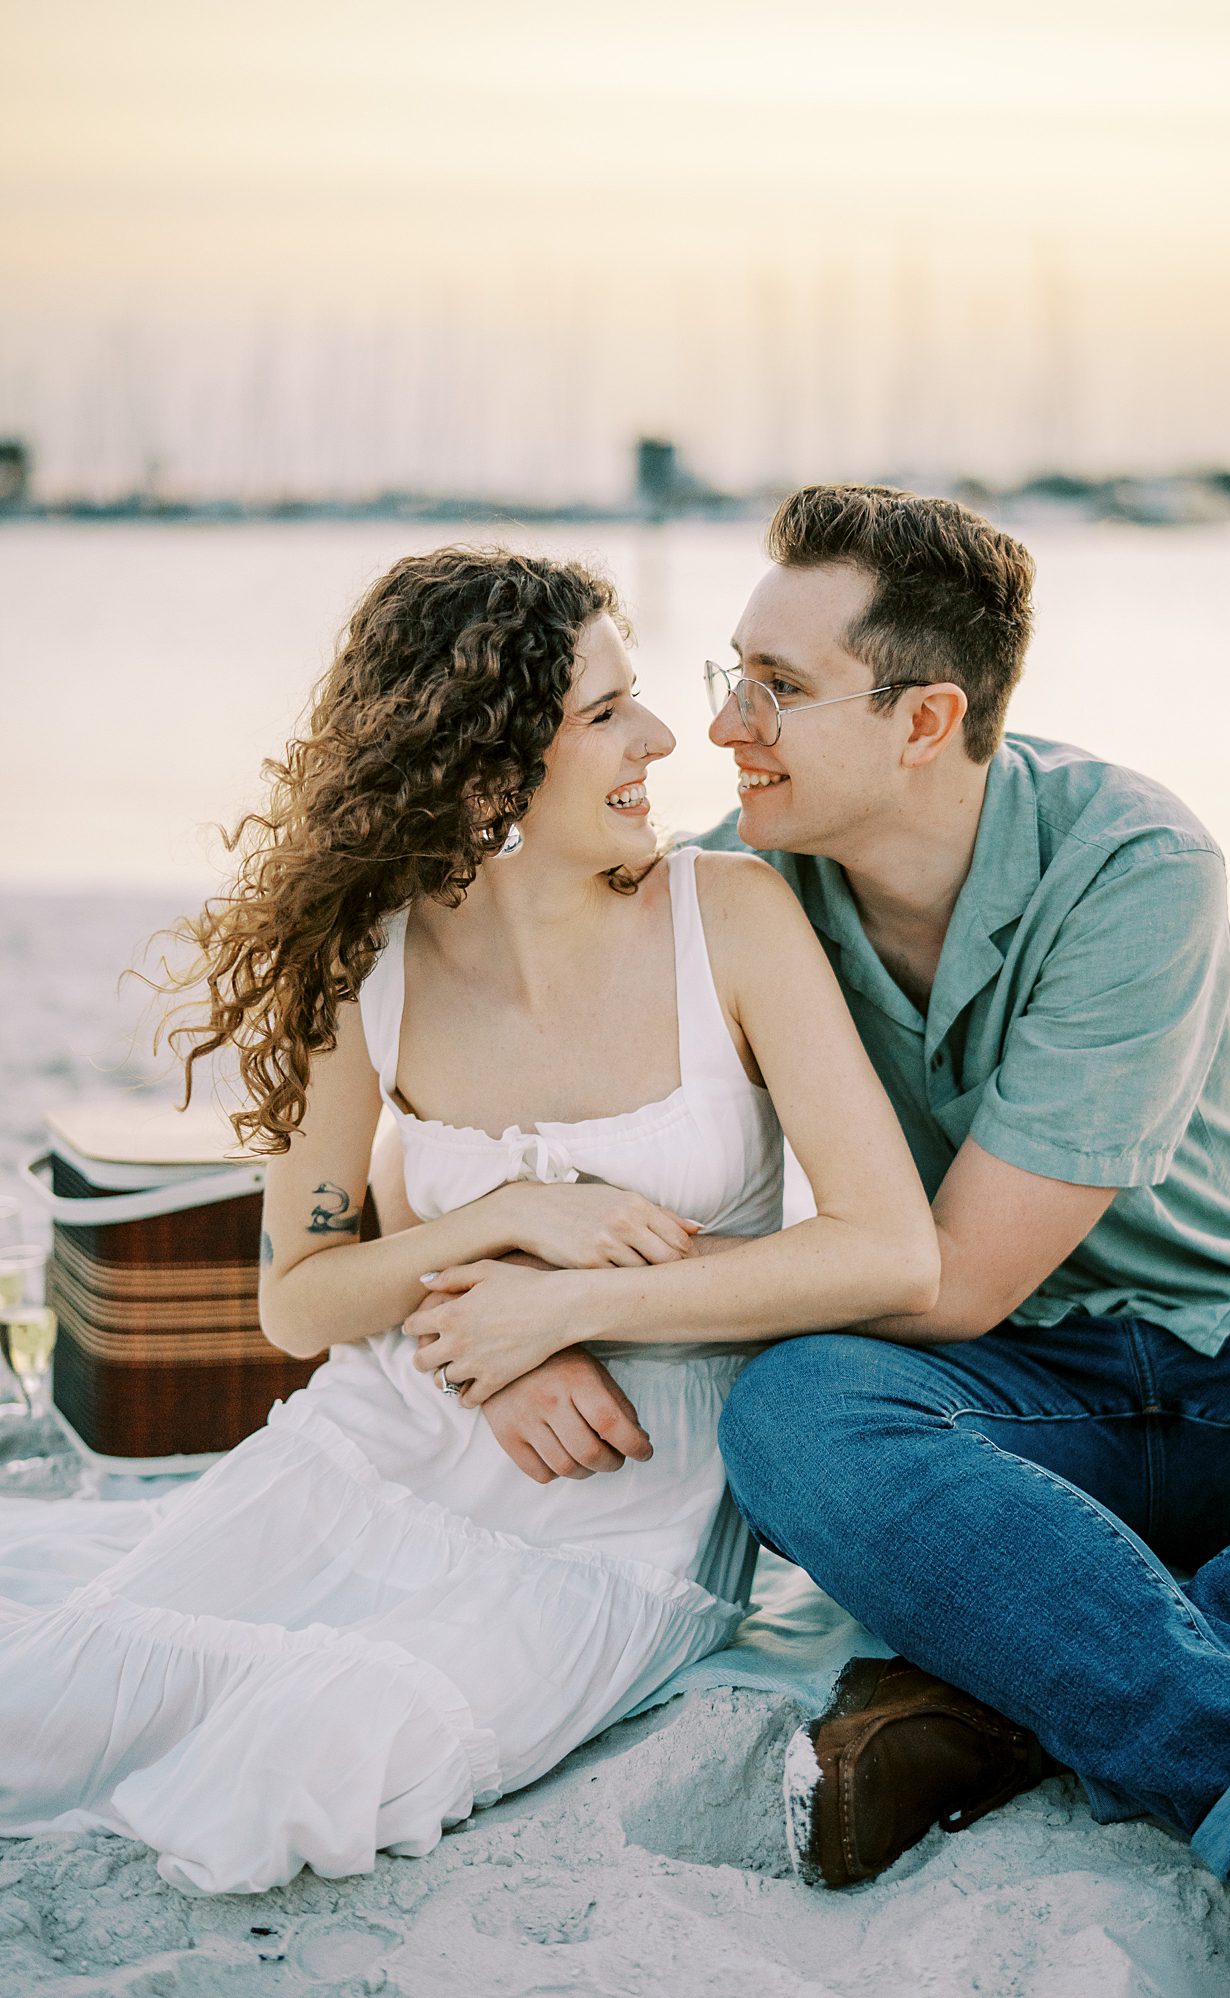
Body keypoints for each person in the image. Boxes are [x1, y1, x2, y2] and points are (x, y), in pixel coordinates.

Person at [461, 488, 1230, 1998]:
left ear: (925, 717)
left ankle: (1012, 1689)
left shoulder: (1134, 861)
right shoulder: (726, 892)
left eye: (780, 689)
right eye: (727, 675)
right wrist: (495, 1311)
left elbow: (961, 1275)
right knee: (797, 1414)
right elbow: (499, 1082)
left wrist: (562, 1308)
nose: (722, 726)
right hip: (979, 1409)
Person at [0, 544, 938, 1896]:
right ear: (488, 773)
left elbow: (886, 1245)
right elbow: (303, 1297)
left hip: (624, 1501)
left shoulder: (728, 918)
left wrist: (567, 1303)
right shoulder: (372, 957)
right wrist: (491, 1245)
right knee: (53, 1703)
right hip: (386, 1437)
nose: (664, 735)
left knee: (316, 1751)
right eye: (608, 712)